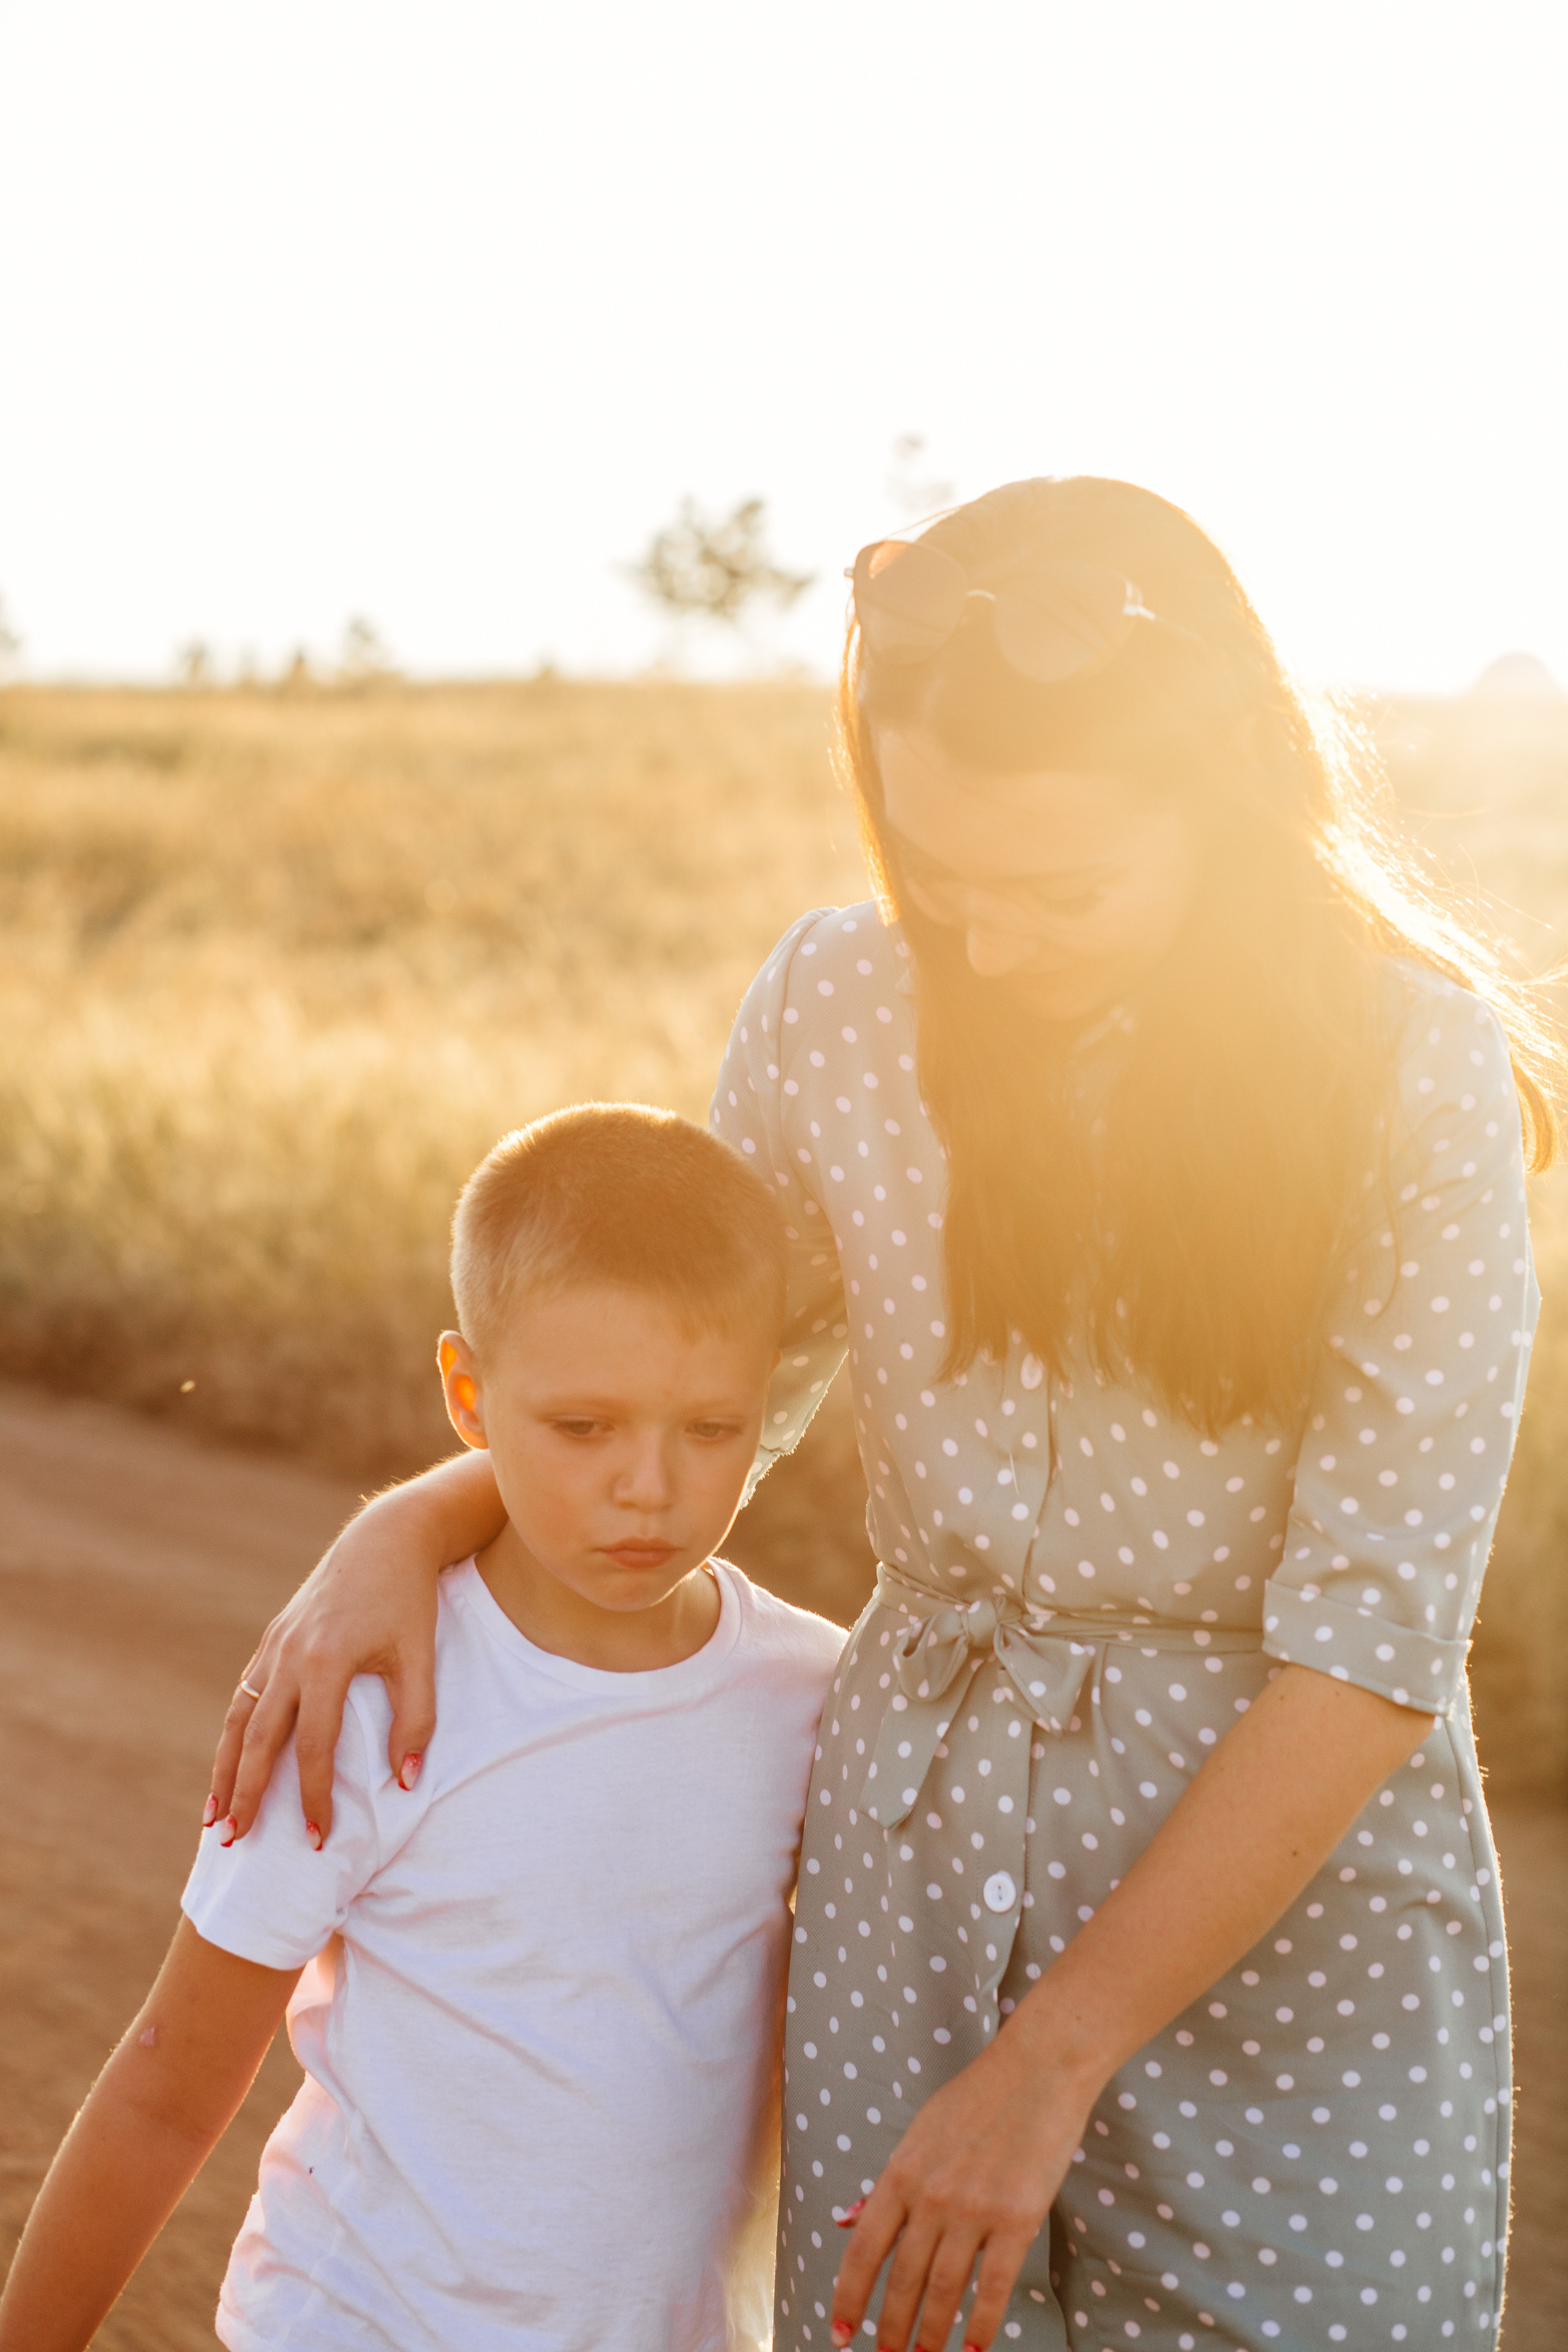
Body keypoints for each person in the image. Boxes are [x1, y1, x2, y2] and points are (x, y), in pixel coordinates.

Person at [206, 479, 1555, 2352]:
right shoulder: (836, 1000)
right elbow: (700, 1393)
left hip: (1284, 1931)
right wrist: (407, 1522)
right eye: (944, 874)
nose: (984, 945)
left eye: (1060, 888)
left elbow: (1374, 1642)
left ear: (1229, 806)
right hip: (906, 1895)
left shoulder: (1417, 1074)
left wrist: (1052, 2061)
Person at [0, 1105, 844, 2352]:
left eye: (711, 1429)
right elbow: (166, 2088)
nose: (649, 1488)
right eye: (583, 1428)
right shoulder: (366, 1689)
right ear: (468, 1395)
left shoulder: (815, 1697)